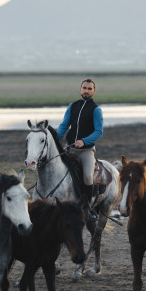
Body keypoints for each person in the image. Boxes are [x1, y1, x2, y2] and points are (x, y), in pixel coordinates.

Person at [57, 78, 103, 221]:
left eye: (90, 89)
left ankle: (87, 208)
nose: (86, 91)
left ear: (94, 91)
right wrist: (55, 138)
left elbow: (98, 132)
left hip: (86, 151)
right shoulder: (72, 106)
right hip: (69, 149)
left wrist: (84, 141)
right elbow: (64, 126)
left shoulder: (96, 110)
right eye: (84, 88)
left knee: (88, 177)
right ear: (80, 89)